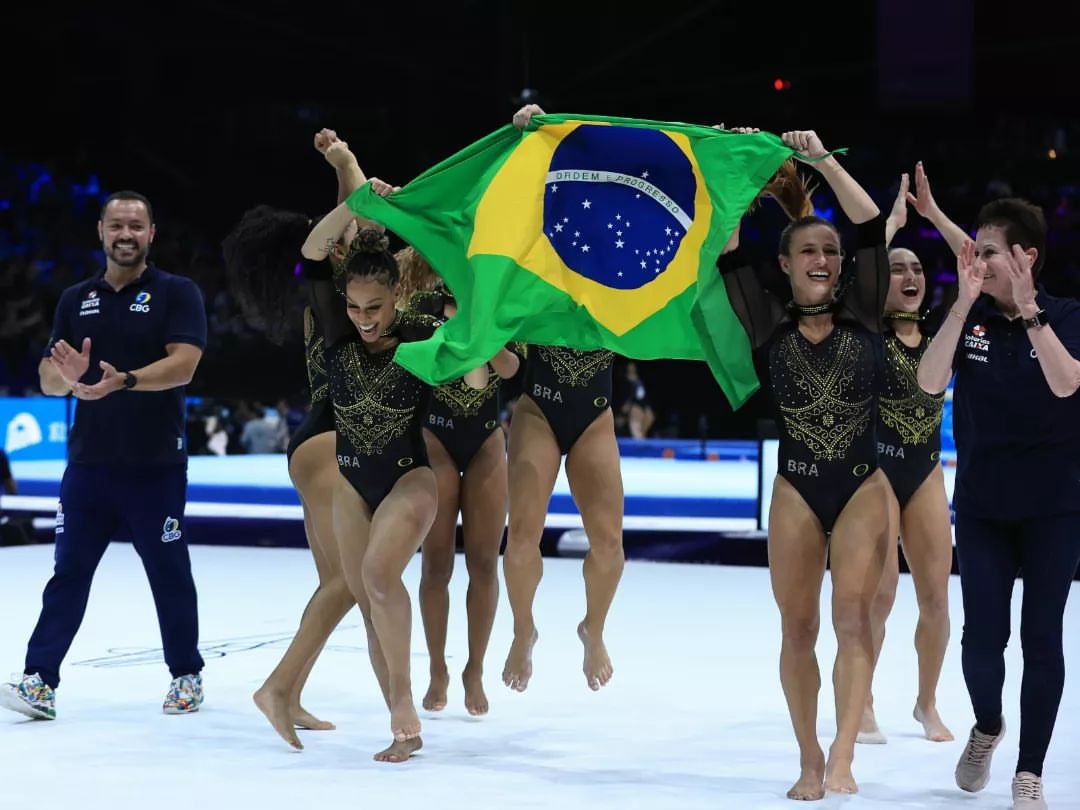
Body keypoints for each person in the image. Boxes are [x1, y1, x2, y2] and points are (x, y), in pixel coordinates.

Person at [718, 130, 890, 798]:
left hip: (861, 488)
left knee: (851, 617)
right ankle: (809, 756)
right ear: (785, 264)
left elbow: (871, 223)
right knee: (798, 627)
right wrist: (738, 171)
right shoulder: (767, 323)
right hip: (795, 486)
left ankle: (843, 754)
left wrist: (820, 160)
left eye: (829, 250)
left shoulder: (866, 311)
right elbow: (726, 249)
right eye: (808, 249)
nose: (822, 257)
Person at [0, 191, 207, 720]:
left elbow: (184, 365)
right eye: (116, 225)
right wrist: (67, 379)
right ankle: (38, 682)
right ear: (100, 231)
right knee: (67, 573)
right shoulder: (75, 299)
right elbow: (48, 377)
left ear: (151, 234)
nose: (125, 235)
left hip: (155, 465)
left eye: (136, 226)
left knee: (168, 572)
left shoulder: (177, 293)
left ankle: (186, 675)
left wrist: (125, 381)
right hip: (88, 467)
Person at [300, 193, 487, 761]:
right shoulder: (338, 329)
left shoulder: (418, 332)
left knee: (381, 578)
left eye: (375, 307)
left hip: (412, 479)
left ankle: (405, 699)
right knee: (369, 603)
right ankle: (403, 731)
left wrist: (467, 342)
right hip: (352, 482)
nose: (364, 319)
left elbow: (477, 385)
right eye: (355, 307)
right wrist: (354, 202)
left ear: (394, 297)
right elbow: (311, 254)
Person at [917, 196, 1080, 810]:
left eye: (988, 253)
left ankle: (1029, 771)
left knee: (1042, 638)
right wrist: (960, 303)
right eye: (975, 252)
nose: (976, 262)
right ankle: (987, 726)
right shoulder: (971, 318)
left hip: (1055, 509)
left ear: (1025, 257)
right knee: (983, 639)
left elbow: (1067, 383)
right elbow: (930, 383)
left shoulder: (1066, 316)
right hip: (984, 507)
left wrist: (1032, 311)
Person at [223, 128, 370, 749]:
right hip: (331, 439)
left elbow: (353, 221)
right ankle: (278, 689)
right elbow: (360, 218)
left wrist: (343, 165)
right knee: (351, 581)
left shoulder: (323, 294)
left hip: (314, 441)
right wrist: (347, 162)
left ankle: (293, 692)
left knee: (334, 581)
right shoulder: (333, 290)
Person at [501, 105, 625, 695]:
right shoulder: (542, 245)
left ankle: (591, 627)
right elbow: (515, 196)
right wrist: (532, 138)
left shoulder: (625, 257)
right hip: (539, 403)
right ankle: (523, 629)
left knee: (609, 541)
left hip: (593, 410)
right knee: (522, 531)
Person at [860, 163, 968, 745]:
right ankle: (866, 699)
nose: (908, 274)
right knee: (879, 593)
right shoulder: (864, 329)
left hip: (923, 468)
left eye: (916, 268)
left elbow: (974, 261)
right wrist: (892, 225)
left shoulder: (940, 335)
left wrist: (933, 218)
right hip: (875, 469)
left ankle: (926, 702)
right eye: (897, 267)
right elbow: (859, 268)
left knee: (935, 592)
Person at [399, 251, 521, 716]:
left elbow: (511, 370)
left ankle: (474, 668)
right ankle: (436, 668)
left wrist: (480, 324)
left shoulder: (498, 302)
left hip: (486, 436)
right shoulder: (422, 307)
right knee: (436, 563)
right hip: (436, 435)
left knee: (485, 562)